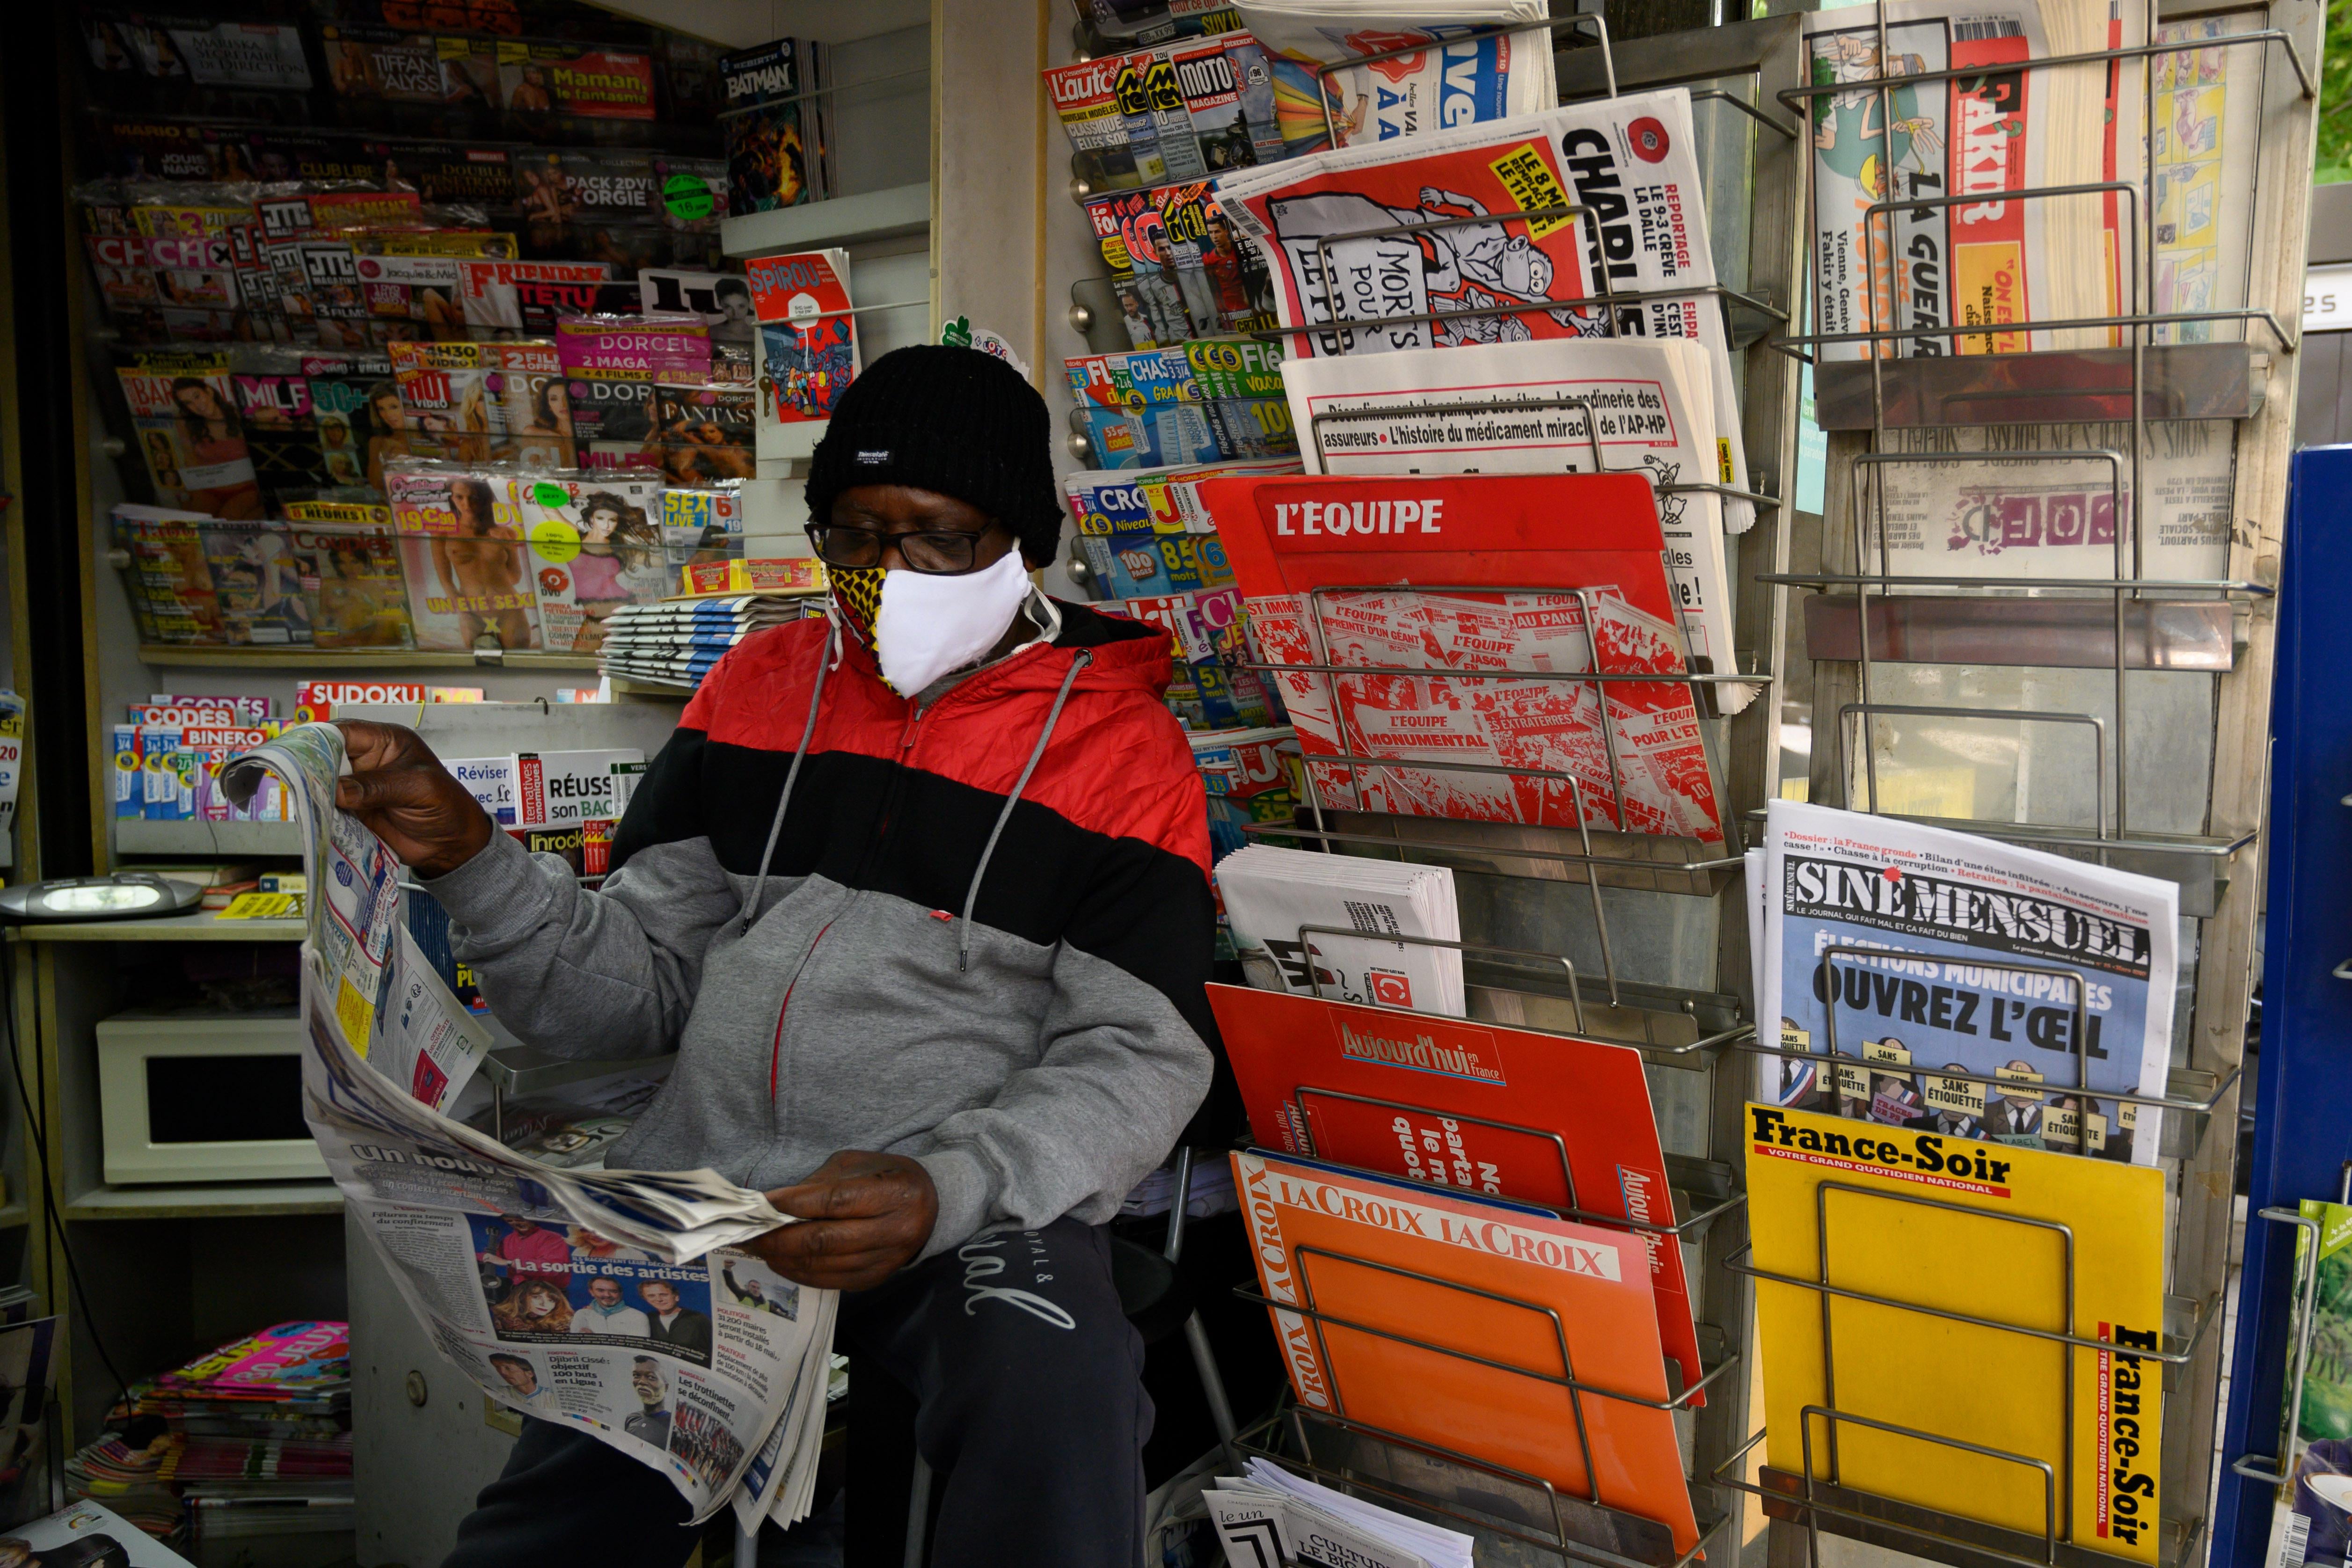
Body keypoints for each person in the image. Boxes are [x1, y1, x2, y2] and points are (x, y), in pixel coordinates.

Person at [336, 345, 1214, 1568]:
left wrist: (945, 1185)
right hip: (715, 1183)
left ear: (1023, 541)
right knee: (557, 1508)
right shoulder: (757, 686)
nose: (891, 571)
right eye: (855, 535)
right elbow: (627, 988)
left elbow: (1138, 1059)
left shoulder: (1127, 752)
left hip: (963, 1197)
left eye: (941, 537)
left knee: (1056, 1389)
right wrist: (474, 858)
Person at [479, 1213, 570, 1288]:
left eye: (519, 1219)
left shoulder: (552, 1238)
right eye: (510, 1221)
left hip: (549, 1293)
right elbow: (495, 1258)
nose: (516, 1223)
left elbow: (554, 1267)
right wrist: (478, 1257)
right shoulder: (508, 1240)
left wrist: (510, 1263)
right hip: (517, 1292)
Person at [636, 1280, 709, 1359]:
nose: (659, 1299)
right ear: (646, 1300)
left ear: (676, 1297)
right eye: (651, 1296)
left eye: (664, 1295)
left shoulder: (697, 1319)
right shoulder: (647, 1319)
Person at [570, 1276, 650, 1338]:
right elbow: (577, 1345)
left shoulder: (637, 1316)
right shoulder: (583, 1314)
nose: (607, 1295)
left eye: (613, 1291)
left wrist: (593, 1337)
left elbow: (637, 1350)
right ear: (592, 1292)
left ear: (620, 1294)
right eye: (601, 1291)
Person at [621, 1358, 670, 1448]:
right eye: (637, 1375)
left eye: (652, 1377)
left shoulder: (672, 1424)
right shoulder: (632, 1418)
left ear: (666, 1387)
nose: (642, 1382)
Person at [721, 1260, 793, 1319]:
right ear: (748, 1287)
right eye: (753, 1287)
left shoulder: (767, 1305)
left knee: (782, 1309)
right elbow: (731, 1284)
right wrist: (728, 1269)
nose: (756, 1289)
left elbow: (779, 1316)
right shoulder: (742, 1295)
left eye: (758, 1288)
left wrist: (788, 1318)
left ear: (760, 1290)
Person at [489, 1354, 555, 1413]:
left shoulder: (550, 1396)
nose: (503, 1373)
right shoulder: (503, 1392)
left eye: (508, 1368)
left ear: (529, 1374)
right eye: (498, 1368)